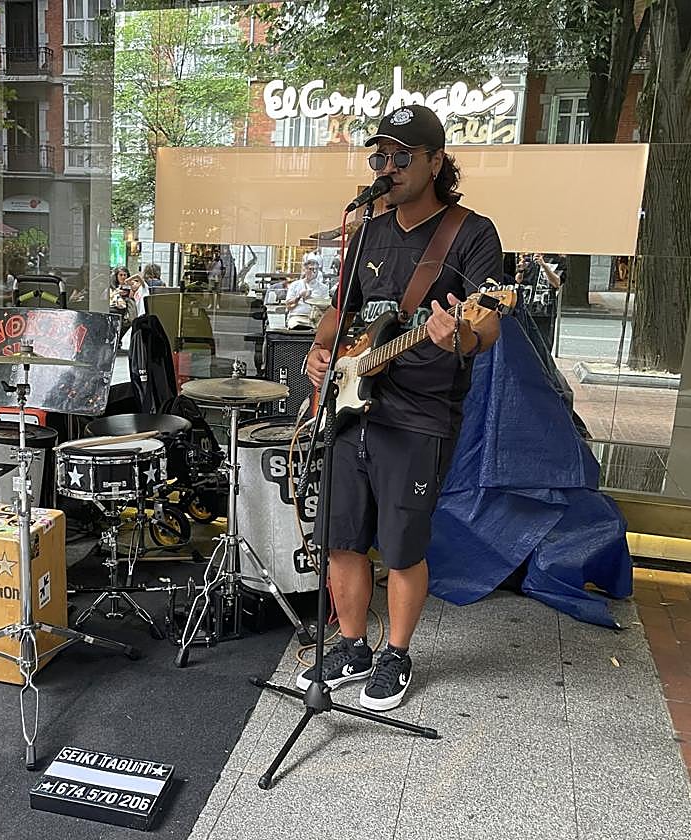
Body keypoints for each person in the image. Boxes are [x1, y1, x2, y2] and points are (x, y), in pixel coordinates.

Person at [300, 104, 504, 711]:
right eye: (378, 156)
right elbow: (342, 310)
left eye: (400, 156)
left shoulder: (470, 232)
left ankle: (397, 653)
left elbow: (487, 322)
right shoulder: (366, 230)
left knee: (402, 545)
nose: (387, 166)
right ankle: (354, 644)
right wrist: (319, 349)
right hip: (350, 407)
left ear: (436, 161)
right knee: (341, 537)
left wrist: (458, 336)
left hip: (420, 414)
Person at [283, 256, 330, 329]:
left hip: (316, 318)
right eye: (310, 269)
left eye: (316, 269)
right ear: (304, 270)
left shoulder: (323, 288)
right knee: (296, 326)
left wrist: (311, 299)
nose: (314, 272)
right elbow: (288, 305)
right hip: (297, 317)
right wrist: (299, 296)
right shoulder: (295, 285)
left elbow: (327, 307)